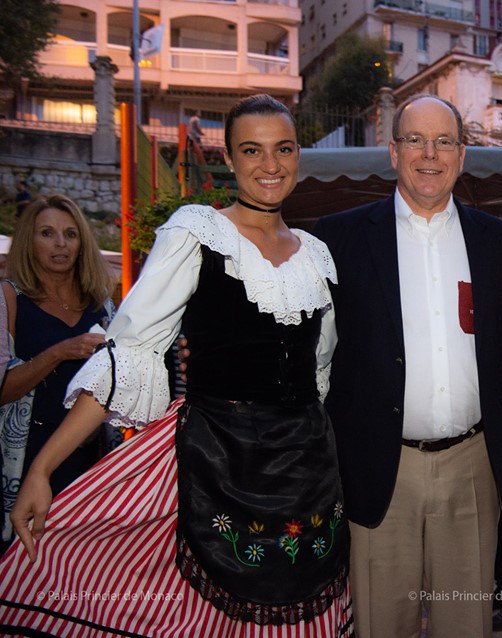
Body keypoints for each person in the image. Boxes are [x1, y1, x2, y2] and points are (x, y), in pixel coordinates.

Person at [0, 94, 352, 637]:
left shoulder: (317, 255)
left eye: (283, 149)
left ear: (298, 154)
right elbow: (128, 355)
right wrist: (43, 469)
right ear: (230, 160)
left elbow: (319, 371)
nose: (271, 165)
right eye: (252, 151)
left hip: (307, 470)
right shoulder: (196, 232)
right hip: (217, 459)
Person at [311, 94, 502, 638]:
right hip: (380, 470)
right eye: (415, 140)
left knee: (467, 624)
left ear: (462, 154)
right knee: (383, 625)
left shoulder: (500, 243)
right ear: (392, 151)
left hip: (474, 467)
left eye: (444, 141)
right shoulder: (337, 239)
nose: (430, 153)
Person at [0, 195, 115, 549]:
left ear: (82, 243)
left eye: (70, 234)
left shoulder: (101, 304)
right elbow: (3, 390)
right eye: (47, 233)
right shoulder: (9, 297)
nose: (61, 244)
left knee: (80, 564)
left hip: (90, 460)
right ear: (29, 242)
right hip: (26, 456)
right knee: (22, 562)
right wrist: (59, 353)